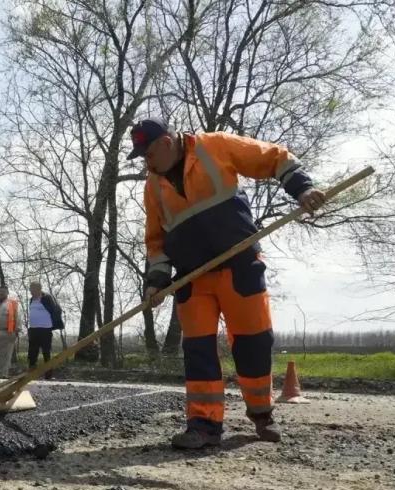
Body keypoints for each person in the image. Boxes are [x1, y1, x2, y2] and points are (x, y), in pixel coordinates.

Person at [130, 116, 325, 450]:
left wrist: (303, 189)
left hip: (239, 265)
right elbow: (155, 241)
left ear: (165, 143)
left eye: (148, 154)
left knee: (253, 342)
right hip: (193, 278)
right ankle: (203, 425)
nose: (146, 163)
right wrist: (157, 280)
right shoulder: (153, 186)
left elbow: (274, 156)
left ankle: (262, 415)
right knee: (198, 352)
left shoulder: (213, 146)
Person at [27, 281, 64, 379]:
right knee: (32, 352)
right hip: (33, 329)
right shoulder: (31, 300)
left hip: (45, 329)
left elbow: (56, 310)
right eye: (30, 289)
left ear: (39, 289)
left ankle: (48, 374)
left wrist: (55, 324)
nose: (31, 291)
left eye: (33, 289)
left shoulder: (47, 298)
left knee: (46, 352)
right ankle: (31, 373)